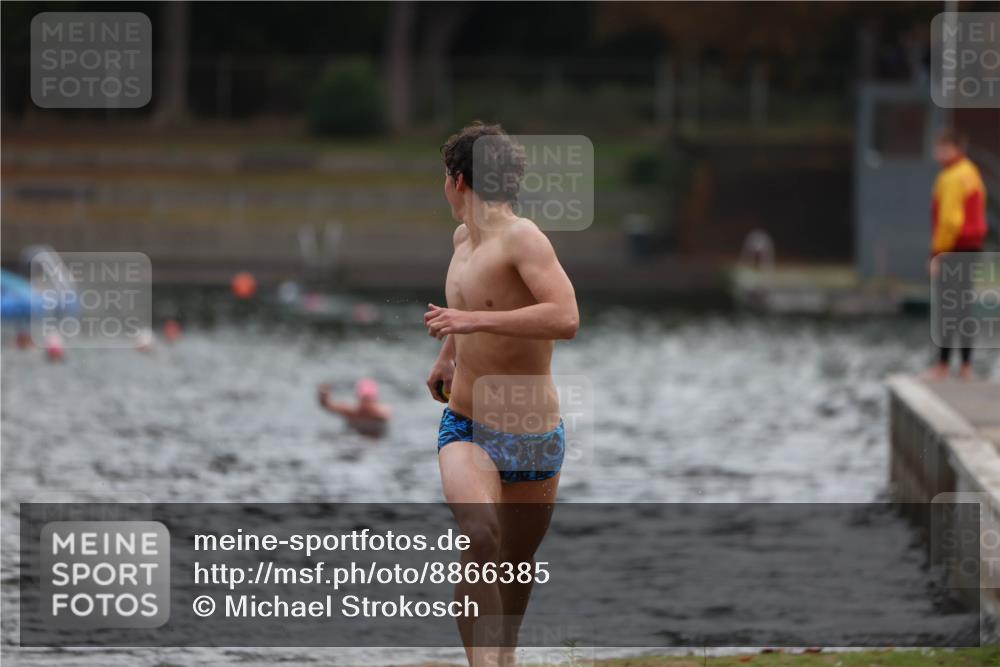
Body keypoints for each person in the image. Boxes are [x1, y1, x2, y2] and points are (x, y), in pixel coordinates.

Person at [424, 122, 579, 667]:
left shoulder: (525, 239)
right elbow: (471, 315)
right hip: (466, 423)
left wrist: (464, 320)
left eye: (445, 179)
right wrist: (448, 355)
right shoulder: (463, 241)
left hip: (532, 434)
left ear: (458, 180)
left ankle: (506, 656)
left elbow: (565, 317)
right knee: (479, 537)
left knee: (514, 563)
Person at [925, 128, 988, 381]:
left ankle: (942, 366)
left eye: (944, 148)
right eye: (938, 148)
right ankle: (965, 366)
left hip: (954, 248)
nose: (939, 153)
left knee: (947, 307)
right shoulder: (971, 172)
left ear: (957, 149)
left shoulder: (951, 177)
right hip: (972, 248)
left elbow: (950, 221)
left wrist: (937, 253)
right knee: (963, 307)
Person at [317, 379, 390, 438]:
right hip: (353, 438)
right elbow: (326, 405)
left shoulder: (382, 413)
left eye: (369, 399)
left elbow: (385, 414)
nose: (366, 402)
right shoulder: (352, 412)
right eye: (364, 398)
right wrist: (323, 394)